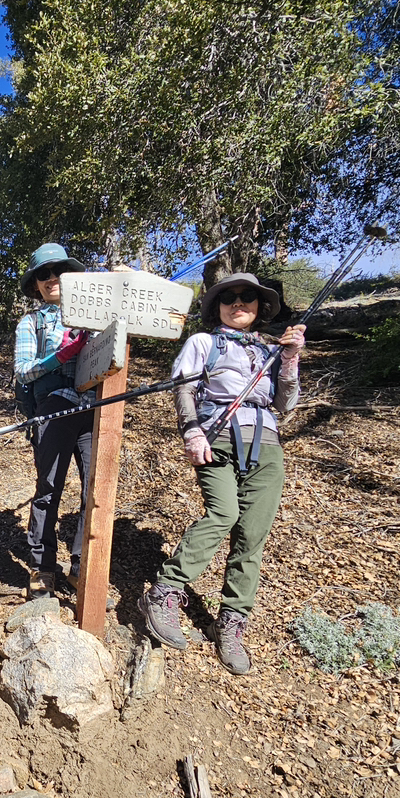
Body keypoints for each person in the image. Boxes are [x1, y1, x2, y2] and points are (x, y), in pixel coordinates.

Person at [139, 274, 306, 675]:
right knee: (223, 514)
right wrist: (191, 432)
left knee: (252, 536)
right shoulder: (202, 343)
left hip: (267, 447)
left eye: (248, 297)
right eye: (228, 297)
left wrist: (290, 358)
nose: (238, 303)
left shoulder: (270, 349)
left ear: (260, 307)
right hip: (218, 440)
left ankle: (230, 623)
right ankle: (165, 590)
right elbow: (183, 388)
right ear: (217, 307)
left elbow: (286, 404)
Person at [13, 243, 93, 598]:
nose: (51, 278)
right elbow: (23, 371)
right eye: (43, 274)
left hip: (95, 408)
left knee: (95, 490)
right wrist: (62, 355)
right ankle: (42, 568)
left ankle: (82, 567)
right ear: (36, 285)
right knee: (48, 488)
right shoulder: (31, 323)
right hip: (54, 407)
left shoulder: (94, 315)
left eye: (59, 270)